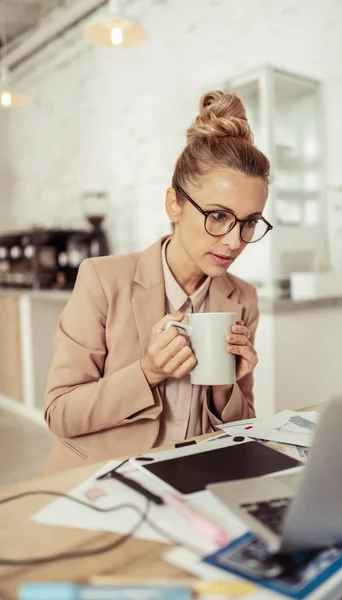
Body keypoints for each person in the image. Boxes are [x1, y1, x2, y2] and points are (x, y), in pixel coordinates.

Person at [43, 90, 272, 473]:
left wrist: (224, 387)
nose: (235, 241)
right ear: (173, 204)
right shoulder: (102, 280)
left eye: (250, 222)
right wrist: (149, 371)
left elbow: (241, 424)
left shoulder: (242, 298)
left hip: (196, 476)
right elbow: (60, 413)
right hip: (107, 477)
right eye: (218, 216)